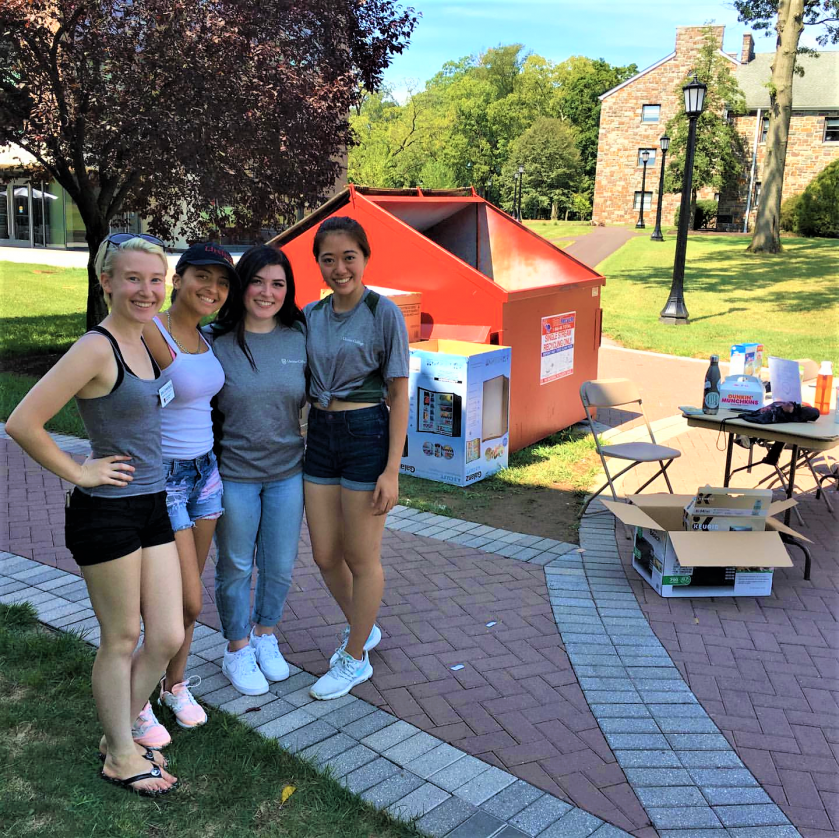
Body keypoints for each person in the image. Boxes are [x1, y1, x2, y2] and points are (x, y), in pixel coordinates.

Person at [6, 234, 183, 797]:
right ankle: (121, 758)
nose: (146, 290)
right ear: (105, 281)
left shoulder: (146, 336)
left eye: (156, 280)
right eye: (132, 279)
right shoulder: (96, 347)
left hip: (151, 502)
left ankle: (118, 735)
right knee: (122, 635)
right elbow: (22, 422)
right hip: (106, 511)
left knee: (168, 634)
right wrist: (80, 472)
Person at [303, 216, 409, 700]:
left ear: (365, 258)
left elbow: (400, 392)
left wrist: (392, 468)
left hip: (366, 431)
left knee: (361, 556)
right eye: (328, 258)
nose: (339, 267)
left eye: (349, 256)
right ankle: (363, 627)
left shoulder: (383, 313)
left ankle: (355, 656)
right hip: (321, 434)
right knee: (326, 554)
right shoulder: (311, 315)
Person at [132, 243, 235, 740]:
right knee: (184, 601)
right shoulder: (151, 331)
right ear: (179, 277)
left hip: (206, 473)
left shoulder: (206, 336)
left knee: (188, 589)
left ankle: (175, 686)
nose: (211, 288)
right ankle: (138, 696)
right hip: (166, 478)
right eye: (202, 276)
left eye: (221, 281)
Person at [208, 245, 307, 696]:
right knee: (235, 564)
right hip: (234, 475)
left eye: (279, 283)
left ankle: (266, 634)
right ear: (242, 285)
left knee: (280, 564)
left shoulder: (298, 336)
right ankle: (237, 647)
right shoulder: (213, 339)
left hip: (288, 472)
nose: (268, 292)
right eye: (259, 281)